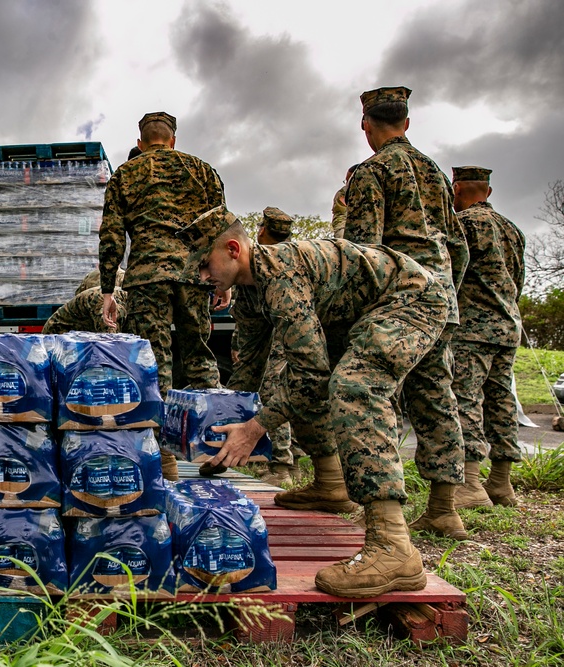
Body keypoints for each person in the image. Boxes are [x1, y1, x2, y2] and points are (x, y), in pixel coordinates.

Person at [179, 207, 445, 598]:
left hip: (409, 299)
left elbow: (313, 373)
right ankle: (331, 484)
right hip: (351, 314)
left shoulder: (281, 276)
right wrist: (221, 431)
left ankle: (394, 547)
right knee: (292, 385)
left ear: (233, 249)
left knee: (354, 387)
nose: (203, 278)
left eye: (205, 265)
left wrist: (253, 430)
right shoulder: (249, 297)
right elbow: (249, 371)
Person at [323, 86, 470, 540]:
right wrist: (445, 292)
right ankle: (446, 509)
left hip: (400, 300)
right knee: (435, 397)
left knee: (363, 388)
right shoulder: (435, 174)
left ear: (365, 124)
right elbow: (459, 247)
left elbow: (364, 251)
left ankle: (386, 526)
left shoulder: (371, 172)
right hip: (440, 299)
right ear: (407, 123)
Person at [99, 111, 228, 399]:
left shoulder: (124, 175)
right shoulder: (201, 170)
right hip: (194, 274)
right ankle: (210, 429)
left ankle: (156, 437)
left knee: (153, 363)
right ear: (172, 140)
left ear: (140, 143)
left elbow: (111, 237)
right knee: (200, 358)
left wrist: (108, 290)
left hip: (148, 278)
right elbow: (220, 227)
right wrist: (222, 280)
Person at [449, 166, 527, 509]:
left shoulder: (463, 225)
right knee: (502, 401)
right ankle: (501, 482)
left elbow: (452, 274)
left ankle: (470, 484)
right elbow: (518, 280)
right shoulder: (514, 230)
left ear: (457, 188)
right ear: (488, 192)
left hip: (472, 329)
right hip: (508, 327)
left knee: (465, 400)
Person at [254, 207, 303, 487]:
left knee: (275, 395)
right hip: (302, 338)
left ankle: (281, 465)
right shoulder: (298, 256)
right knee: (298, 394)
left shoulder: (265, 260)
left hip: (278, 340)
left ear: (262, 230)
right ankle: (294, 461)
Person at [44, 273, 127, 335]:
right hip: (59, 336)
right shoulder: (106, 303)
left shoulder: (124, 298)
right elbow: (110, 341)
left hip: (82, 337)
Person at [331, 164, 360, 239]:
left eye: (350, 181)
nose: (347, 184)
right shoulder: (343, 193)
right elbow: (340, 217)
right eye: (346, 181)